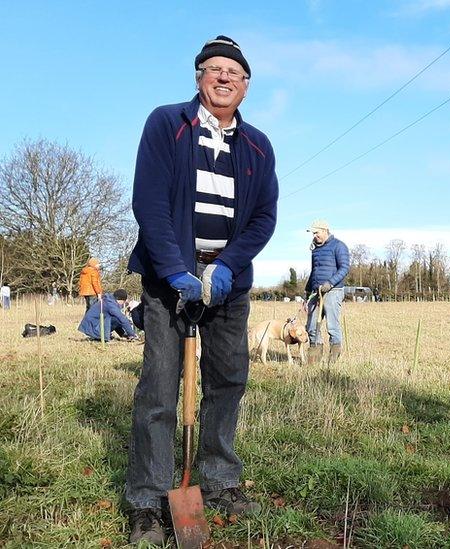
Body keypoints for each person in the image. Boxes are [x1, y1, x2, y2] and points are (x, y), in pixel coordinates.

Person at [123, 36, 278, 545]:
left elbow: (263, 218)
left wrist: (228, 266)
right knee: (159, 389)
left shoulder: (257, 145)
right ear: (198, 77)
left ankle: (220, 481)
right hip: (172, 280)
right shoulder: (167, 124)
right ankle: (147, 499)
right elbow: (150, 204)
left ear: (247, 85)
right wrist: (176, 272)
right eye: (214, 69)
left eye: (234, 71)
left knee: (228, 381)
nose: (224, 77)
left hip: (227, 286)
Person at [303, 219, 350, 365]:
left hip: (333, 290)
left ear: (325, 231)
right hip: (316, 291)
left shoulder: (339, 246)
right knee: (311, 326)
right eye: (313, 233)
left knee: (332, 326)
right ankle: (314, 357)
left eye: (316, 232)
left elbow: (344, 268)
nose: (314, 235)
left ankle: (333, 359)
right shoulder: (315, 249)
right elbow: (314, 271)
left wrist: (330, 283)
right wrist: (307, 292)